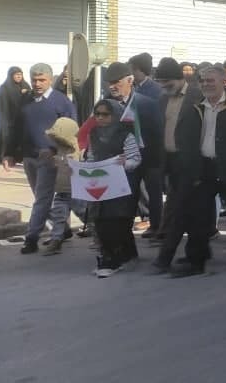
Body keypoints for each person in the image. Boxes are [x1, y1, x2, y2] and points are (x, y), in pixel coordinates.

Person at [167, 66, 226, 277]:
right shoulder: (196, 106)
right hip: (204, 167)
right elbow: (184, 136)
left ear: (224, 82)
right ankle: (196, 259)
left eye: (211, 81)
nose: (206, 84)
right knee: (198, 215)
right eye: (203, 81)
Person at [4, 63, 77, 255]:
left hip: (50, 158)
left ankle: (31, 238)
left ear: (50, 80)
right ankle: (63, 229)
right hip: (29, 157)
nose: (37, 83)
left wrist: (54, 150)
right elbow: (15, 127)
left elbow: (71, 132)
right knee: (41, 197)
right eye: (34, 79)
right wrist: (9, 152)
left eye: (42, 80)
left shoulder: (62, 102)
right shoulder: (25, 100)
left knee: (42, 199)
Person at [151, 58, 204, 271]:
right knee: (187, 211)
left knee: (177, 211)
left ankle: (165, 257)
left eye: (167, 82)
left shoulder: (197, 97)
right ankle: (199, 252)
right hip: (171, 163)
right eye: (161, 82)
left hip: (192, 163)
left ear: (179, 78)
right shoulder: (163, 100)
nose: (164, 86)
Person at [81, 100, 144, 277]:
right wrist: (84, 169)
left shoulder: (125, 134)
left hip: (122, 185)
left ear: (115, 115)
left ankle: (115, 259)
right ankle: (116, 256)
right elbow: (92, 156)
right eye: (97, 114)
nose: (100, 118)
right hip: (101, 184)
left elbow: (135, 159)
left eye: (105, 114)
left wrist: (124, 164)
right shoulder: (93, 133)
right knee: (101, 220)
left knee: (118, 221)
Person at [102, 62, 165, 240]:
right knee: (126, 196)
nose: (113, 86)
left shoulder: (147, 104)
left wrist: (160, 160)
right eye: (109, 82)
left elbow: (158, 132)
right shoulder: (106, 104)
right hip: (123, 158)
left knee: (154, 194)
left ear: (130, 80)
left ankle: (156, 227)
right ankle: (123, 231)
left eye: (117, 82)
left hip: (149, 156)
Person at [0, 66, 31, 173]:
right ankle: (7, 160)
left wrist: (26, 93)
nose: (19, 77)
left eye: (20, 74)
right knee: (8, 139)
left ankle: (20, 158)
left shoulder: (25, 86)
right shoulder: (5, 88)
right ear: (11, 76)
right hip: (9, 119)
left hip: (22, 119)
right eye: (16, 75)